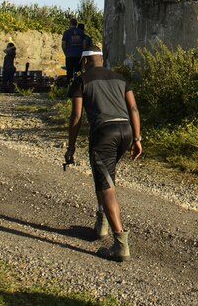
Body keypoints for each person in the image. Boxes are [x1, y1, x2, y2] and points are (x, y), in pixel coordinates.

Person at [65, 49, 142, 261]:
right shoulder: (119, 78)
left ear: (87, 61)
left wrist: (71, 147)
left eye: (82, 62)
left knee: (107, 187)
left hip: (103, 134)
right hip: (125, 132)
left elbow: (76, 116)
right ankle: (101, 223)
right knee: (104, 177)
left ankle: (120, 243)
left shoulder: (82, 80)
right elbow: (133, 109)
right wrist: (137, 139)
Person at [61, 18, 84, 84]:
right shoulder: (81, 32)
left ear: (70, 24)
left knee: (69, 72)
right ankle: (79, 87)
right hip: (79, 55)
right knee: (79, 72)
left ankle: (69, 87)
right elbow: (84, 44)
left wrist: (66, 53)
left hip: (69, 55)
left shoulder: (66, 32)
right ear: (76, 24)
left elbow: (63, 44)